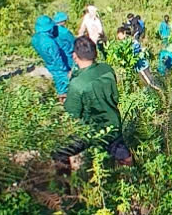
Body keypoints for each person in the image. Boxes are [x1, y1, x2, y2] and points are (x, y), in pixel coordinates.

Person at [56, 36, 132, 167]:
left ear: (75, 56)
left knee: (58, 153)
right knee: (122, 153)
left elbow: (72, 113)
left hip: (91, 129)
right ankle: (133, 176)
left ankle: (64, 185)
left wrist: (66, 100)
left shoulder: (77, 84)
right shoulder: (107, 69)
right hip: (113, 124)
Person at [32, 14, 73, 98]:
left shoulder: (35, 38)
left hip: (49, 63)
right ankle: (66, 99)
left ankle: (62, 96)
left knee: (58, 81)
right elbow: (57, 58)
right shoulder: (50, 42)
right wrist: (66, 70)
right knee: (65, 82)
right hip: (60, 65)